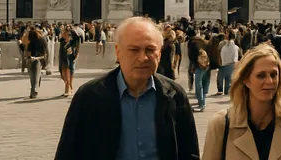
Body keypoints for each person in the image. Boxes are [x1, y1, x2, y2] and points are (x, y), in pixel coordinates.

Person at [55, 17, 199, 160]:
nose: (143, 58)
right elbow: (67, 153)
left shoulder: (175, 95)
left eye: (150, 50)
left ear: (159, 54)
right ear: (118, 52)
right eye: (134, 50)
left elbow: (189, 153)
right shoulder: (89, 96)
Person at [202, 44, 281, 160]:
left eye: (273, 75)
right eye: (261, 76)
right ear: (246, 79)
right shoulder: (221, 124)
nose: (269, 81)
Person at [26, 28, 47, 99]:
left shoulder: (32, 42)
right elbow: (45, 52)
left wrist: (30, 59)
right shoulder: (42, 41)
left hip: (35, 60)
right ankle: (35, 90)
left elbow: (28, 52)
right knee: (36, 76)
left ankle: (34, 91)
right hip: (39, 59)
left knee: (33, 77)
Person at [59, 27, 80, 97]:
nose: (63, 34)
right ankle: (69, 89)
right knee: (64, 76)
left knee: (68, 75)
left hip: (69, 61)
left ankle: (68, 90)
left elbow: (75, 50)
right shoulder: (62, 42)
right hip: (63, 60)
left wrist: (75, 55)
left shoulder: (72, 43)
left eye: (65, 33)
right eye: (63, 33)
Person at [219, 30, 240, 95]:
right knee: (227, 83)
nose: (225, 35)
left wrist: (235, 62)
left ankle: (227, 93)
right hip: (226, 64)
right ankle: (226, 92)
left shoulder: (231, 44)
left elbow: (235, 55)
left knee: (228, 82)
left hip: (229, 64)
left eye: (227, 34)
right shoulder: (226, 44)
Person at [195, 47, 211, 111]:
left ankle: (202, 104)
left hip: (203, 69)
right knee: (201, 87)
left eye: (205, 57)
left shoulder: (204, 66)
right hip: (203, 69)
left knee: (201, 88)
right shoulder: (199, 68)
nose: (204, 59)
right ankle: (202, 103)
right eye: (202, 57)